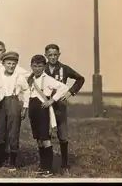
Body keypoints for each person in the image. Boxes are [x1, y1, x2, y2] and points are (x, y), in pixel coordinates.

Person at [43, 44, 85, 173]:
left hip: (59, 104)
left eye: (55, 54)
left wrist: (70, 92)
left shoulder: (64, 68)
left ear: (59, 55)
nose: (53, 57)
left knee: (62, 133)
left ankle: (65, 164)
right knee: (45, 134)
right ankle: (46, 165)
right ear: (46, 55)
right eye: (50, 55)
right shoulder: (42, 68)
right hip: (45, 104)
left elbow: (80, 79)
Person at [27, 54, 70, 177]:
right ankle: (43, 166)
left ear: (44, 66)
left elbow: (63, 87)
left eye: (40, 66)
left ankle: (48, 169)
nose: (37, 69)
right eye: (34, 66)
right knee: (39, 140)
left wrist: (52, 100)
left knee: (45, 139)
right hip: (32, 110)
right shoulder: (30, 78)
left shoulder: (48, 79)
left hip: (43, 111)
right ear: (31, 66)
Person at [0, 51, 31, 170]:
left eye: (13, 64)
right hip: (0, 104)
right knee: (0, 131)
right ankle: (0, 161)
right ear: (3, 63)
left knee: (13, 132)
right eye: (8, 63)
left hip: (14, 104)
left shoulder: (19, 77)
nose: (11, 66)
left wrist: (25, 106)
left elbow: (27, 90)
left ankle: (12, 162)